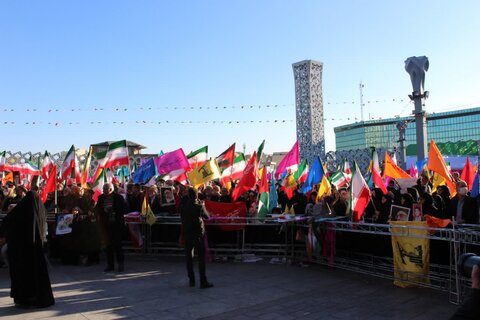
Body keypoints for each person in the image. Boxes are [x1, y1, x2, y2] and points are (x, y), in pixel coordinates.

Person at [4, 191, 55, 308]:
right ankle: (35, 297)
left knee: (22, 275)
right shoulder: (37, 211)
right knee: (35, 275)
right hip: (34, 251)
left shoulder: (20, 211)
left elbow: (8, 221)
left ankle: (23, 298)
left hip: (19, 251)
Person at [179, 187, 213, 289]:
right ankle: (203, 281)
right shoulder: (199, 207)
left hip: (187, 234)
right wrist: (203, 206)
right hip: (197, 235)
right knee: (201, 259)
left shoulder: (183, 207)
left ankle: (191, 280)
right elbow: (207, 216)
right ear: (196, 195)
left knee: (189, 258)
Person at [95, 182, 127, 272]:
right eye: (104, 189)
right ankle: (110, 265)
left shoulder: (119, 198)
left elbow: (125, 208)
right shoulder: (100, 198)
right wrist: (103, 210)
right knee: (108, 247)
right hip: (106, 225)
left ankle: (120, 264)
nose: (105, 191)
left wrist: (114, 211)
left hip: (116, 225)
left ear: (111, 189)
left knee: (118, 246)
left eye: (106, 189)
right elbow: (97, 209)